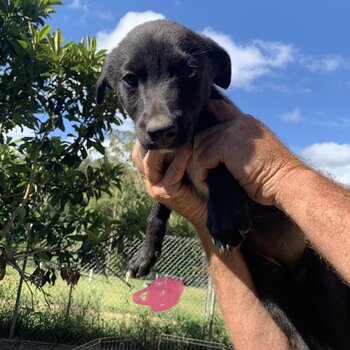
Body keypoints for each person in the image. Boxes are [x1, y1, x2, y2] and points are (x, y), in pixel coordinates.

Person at [132, 100, 350, 349]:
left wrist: (280, 175)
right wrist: (195, 215)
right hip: (264, 266)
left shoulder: (220, 123)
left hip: (312, 256)